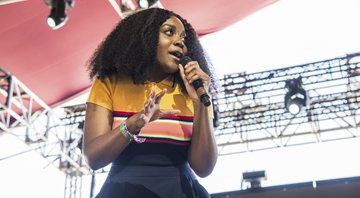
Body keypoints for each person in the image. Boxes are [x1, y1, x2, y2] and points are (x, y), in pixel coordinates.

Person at [83, 7, 218, 198]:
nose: (180, 42)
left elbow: (204, 168)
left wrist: (200, 104)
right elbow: (93, 158)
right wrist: (133, 125)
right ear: (144, 37)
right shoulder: (109, 83)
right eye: (169, 32)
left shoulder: (194, 91)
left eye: (184, 38)